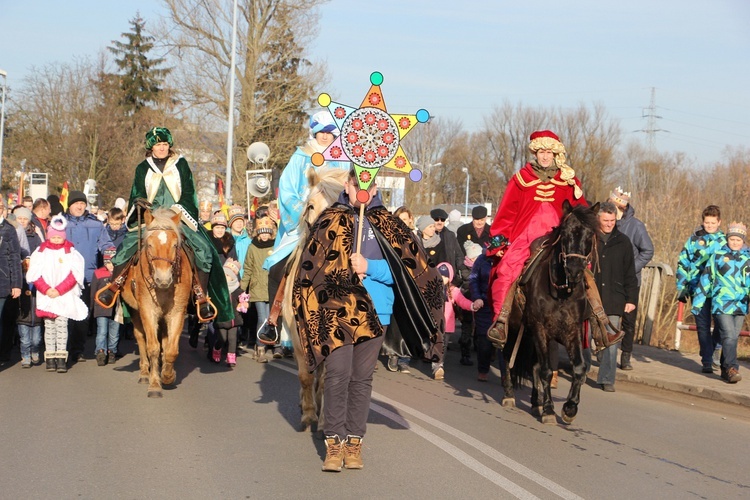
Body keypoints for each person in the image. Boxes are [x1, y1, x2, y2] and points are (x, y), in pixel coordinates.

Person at [294, 169, 443, 472]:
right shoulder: (328, 220)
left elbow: (409, 274)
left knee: (361, 379)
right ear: (346, 186)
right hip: (336, 311)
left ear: (375, 188)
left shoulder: (391, 225)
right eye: (355, 183)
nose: (362, 189)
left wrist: (370, 266)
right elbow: (310, 269)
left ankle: (353, 442)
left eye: (368, 184)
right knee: (336, 375)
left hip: (377, 312)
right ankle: (333, 442)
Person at [487, 130, 622, 350]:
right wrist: (500, 244)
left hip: (559, 237)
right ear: (535, 153)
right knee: (507, 271)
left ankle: (601, 325)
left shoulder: (568, 180)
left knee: (585, 274)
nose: (545, 156)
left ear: (555, 153)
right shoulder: (520, 179)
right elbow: (506, 213)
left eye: (549, 152)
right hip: (526, 234)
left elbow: (582, 213)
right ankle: (501, 322)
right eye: (541, 152)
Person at [101, 127, 233, 326]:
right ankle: (115, 287)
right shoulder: (142, 168)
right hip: (151, 220)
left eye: (164, 144)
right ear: (151, 147)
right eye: (158, 144)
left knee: (205, 251)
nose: (162, 148)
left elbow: (190, 194)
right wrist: (139, 202)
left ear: (169, 146)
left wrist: (176, 210)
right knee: (123, 251)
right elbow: (136, 193)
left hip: (177, 218)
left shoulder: (181, 165)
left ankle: (201, 297)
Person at [263, 111, 349, 309]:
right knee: (278, 266)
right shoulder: (300, 157)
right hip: (303, 224)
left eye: (329, 132)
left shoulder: (342, 159)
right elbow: (286, 191)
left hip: (336, 223)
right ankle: (274, 318)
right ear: (314, 133)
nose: (325, 136)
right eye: (321, 132)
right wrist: (304, 214)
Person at [26, 216, 88, 373]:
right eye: (53, 237)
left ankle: (61, 358)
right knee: (49, 327)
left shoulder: (71, 252)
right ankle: (50, 358)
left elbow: (75, 274)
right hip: (46, 295)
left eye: (59, 237)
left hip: (63, 295)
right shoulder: (40, 252)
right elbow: (34, 274)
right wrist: (46, 289)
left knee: (61, 326)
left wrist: (59, 290)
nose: (56, 240)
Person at [694, 221, 748, 383]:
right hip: (721, 303)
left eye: (738, 240)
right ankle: (732, 367)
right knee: (729, 335)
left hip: (741, 304)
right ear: (728, 239)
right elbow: (706, 279)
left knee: (732, 337)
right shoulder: (718, 256)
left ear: (743, 240)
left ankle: (725, 370)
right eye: (732, 239)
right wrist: (698, 303)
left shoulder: (748, 258)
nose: (735, 243)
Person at [65, 190, 115, 363]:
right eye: (76, 203)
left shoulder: (96, 224)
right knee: (65, 316)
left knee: (82, 316)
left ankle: (77, 350)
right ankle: (63, 349)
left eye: (82, 203)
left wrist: (109, 259)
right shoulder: (61, 223)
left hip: (87, 277)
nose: (79, 206)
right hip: (65, 277)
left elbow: (107, 244)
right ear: (69, 205)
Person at [592, 202, 638, 392]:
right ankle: (582, 367)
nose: (609, 224)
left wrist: (631, 300)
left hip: (615, 297)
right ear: (598, 219)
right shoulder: (590, 238)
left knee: (611, 340)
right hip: (591, 296)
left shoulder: (623, 241)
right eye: (605, 220)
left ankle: (607, 378)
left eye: (612, 220)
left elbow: (630, 273)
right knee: (585, 338)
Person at [676, 205, 726, 374]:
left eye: (713, 222)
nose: (709, 225)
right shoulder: (694, 240)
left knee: (721, 323)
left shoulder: (726, 242)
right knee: (703, 325)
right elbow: (684, 262)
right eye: (707, 222)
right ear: (703, 222)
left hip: (719, 290)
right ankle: (707, 359)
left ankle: (715, 348)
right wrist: (681, 286)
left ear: (719, 222)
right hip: (697, 288)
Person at [609, 186, 654, 370]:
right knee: (604, 317)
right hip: (607, 279)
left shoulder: (636, 226)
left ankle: (626, 355)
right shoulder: (603, 222)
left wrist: (630, 269)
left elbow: (648, 250)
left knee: (628, 320)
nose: (615, 210)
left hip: (630, 282)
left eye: (618, 207)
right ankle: (604, 352)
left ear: (623, 208)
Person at [240, 215, 276, 361]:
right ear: (258, 233)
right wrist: (242, 288)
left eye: (267, 232)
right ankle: (259, 347)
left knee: (270, 319)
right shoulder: (252, 247)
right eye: (262, 232)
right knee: (262, 318)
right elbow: (248, 268)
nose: (265, 235)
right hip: (257, 288)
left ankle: (266, 343)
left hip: (271, 287)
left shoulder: (275, 246)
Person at [0, 199, 23, 365]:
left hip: (3, 281)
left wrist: (16, 284)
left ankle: (3, 352)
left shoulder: (8, 230)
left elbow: (15, 257)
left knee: (2, 320)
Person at [211, 258, 244, 367]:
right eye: (224, 276)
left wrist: (243, 303)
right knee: (222, 338)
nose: (226, 278)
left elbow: (244, 299)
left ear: (233, 278)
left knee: (232, 338)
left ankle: (231, 357)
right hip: (222, 319)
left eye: (228, 276)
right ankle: (217, 349)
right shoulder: (219, 290)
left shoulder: (237, 290)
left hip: (234, 318)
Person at [90, 249, 120, 366]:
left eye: (113, 263)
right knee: (102, 331)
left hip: (116, 308)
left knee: (114, 332)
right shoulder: (98, 273)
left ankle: (112, 351)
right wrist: (92, 307)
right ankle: (100, 352)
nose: (111, 266)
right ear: (105, 262)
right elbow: (93, 291)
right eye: (109, 263)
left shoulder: (119, 274)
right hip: (101, 307)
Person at [430, 208, 463, 286]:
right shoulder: (426, 234)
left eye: (442, 220)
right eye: (436, 219)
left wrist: (459, 273)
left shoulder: (450, 235)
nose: (440, 222)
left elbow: (459, 255)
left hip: (449, 275)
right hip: (432, 275)